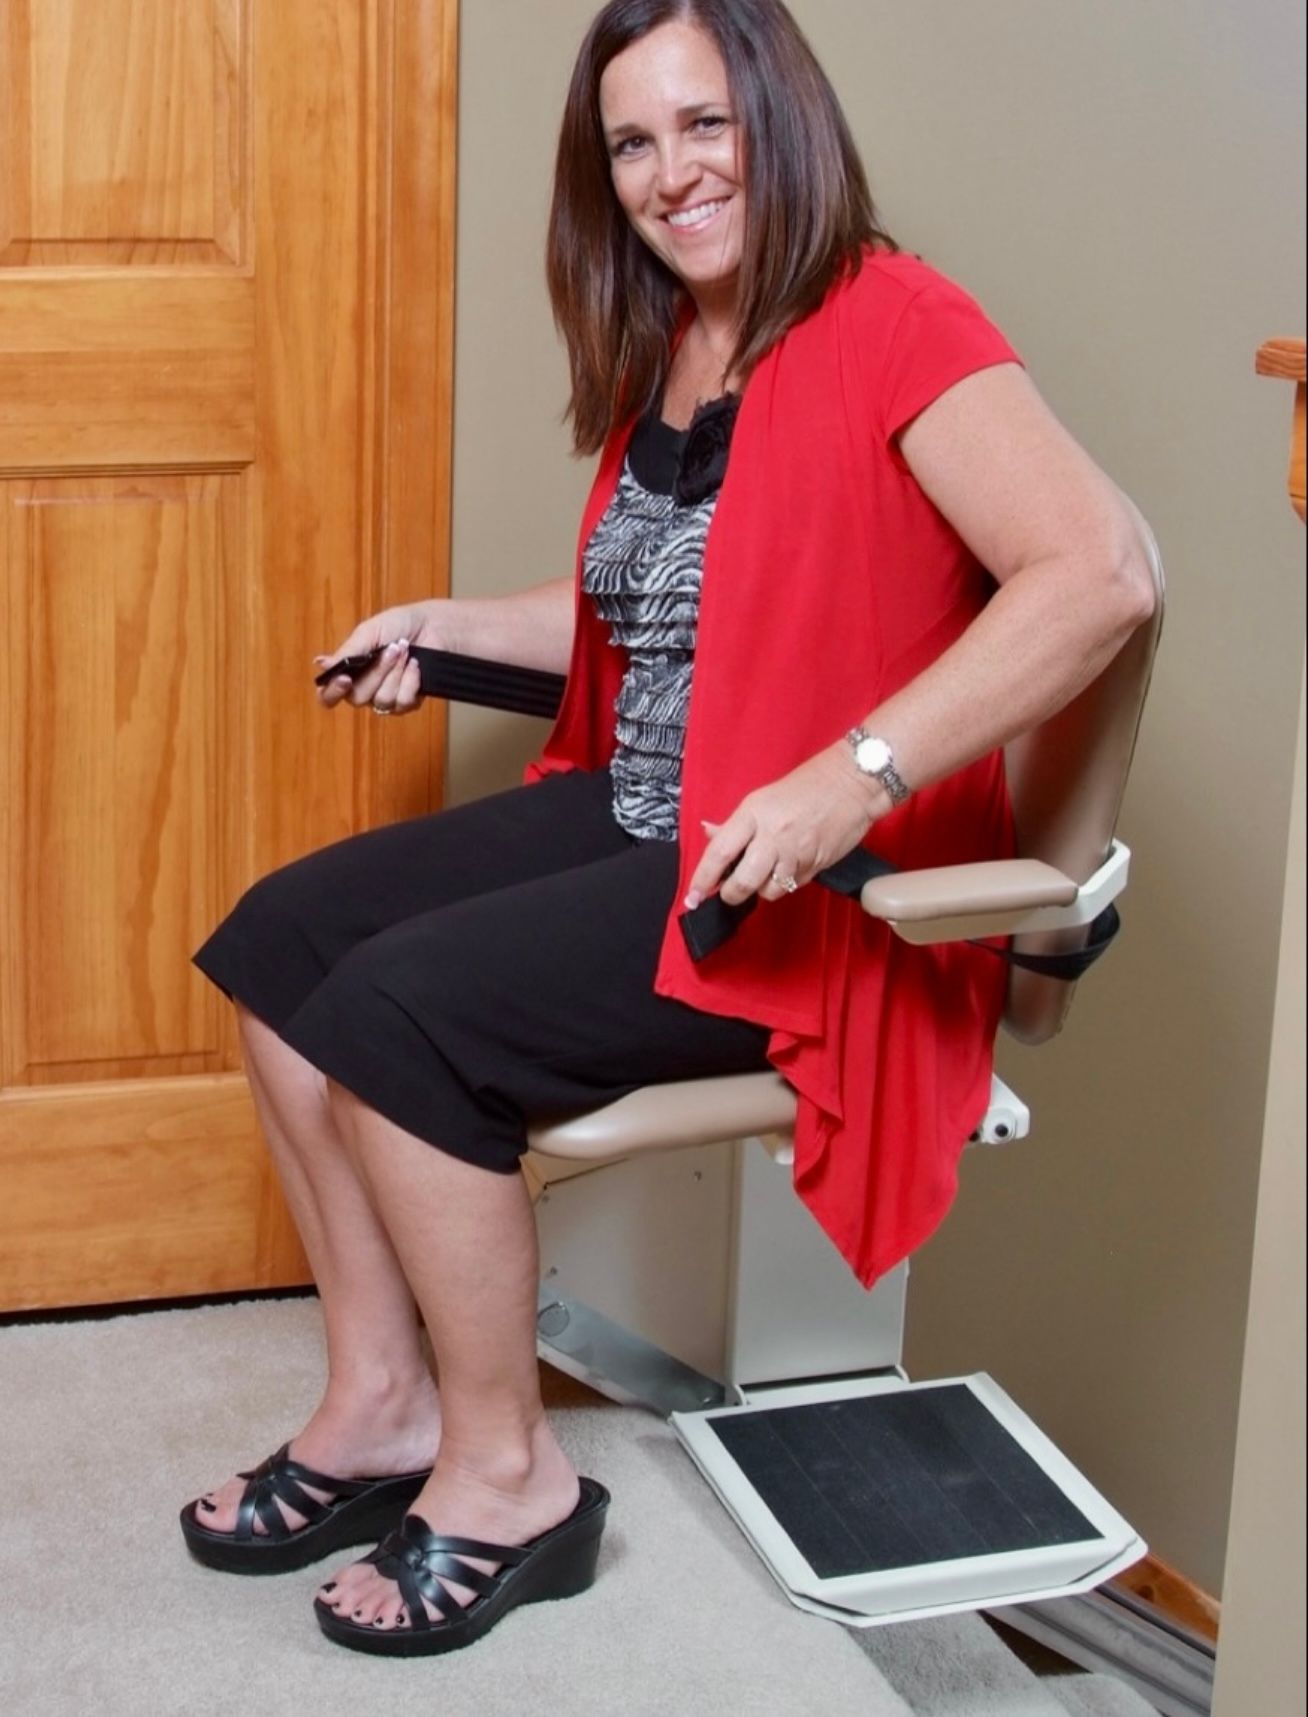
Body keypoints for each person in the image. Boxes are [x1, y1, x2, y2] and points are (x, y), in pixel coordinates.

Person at [180, 0, 1156, 1659]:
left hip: (811, 879)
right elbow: (665, 617)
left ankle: (508, 1483)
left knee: (396, 1015)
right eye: (634, 141)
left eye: (704, 124)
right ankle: (384, 1402)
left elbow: (1103, 572)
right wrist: (452, 625)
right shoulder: (685, 341)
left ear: (782, 117)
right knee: (283, 946)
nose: (670, 172)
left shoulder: (896, 321)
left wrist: (853, 772)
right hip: (647, 811)